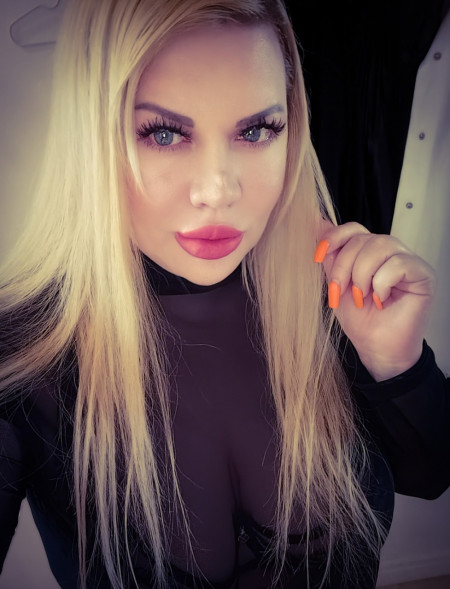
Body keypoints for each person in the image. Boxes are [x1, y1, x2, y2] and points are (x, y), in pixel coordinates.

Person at [0, 1, 448, 588]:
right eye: (164, 134)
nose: (218, 190)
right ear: (92, 140)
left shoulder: (333, 295)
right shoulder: (25, 352)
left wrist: (396, 362)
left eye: (256, 131)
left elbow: (430, 476)